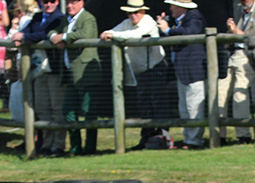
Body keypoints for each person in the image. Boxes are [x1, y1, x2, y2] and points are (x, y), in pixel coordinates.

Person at [101, 0, 169, 150]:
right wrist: (109, 33)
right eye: (130, 12)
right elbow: (112, 31)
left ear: (143, 11)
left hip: (155, 68)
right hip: (140, 71)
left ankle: (164, 138)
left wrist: (112, 34)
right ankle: (146, 139)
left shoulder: (149, 22)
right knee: (144, 105)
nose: (132, 15)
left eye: (135, 12)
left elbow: (134, 35)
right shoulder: (126, 23)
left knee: (157, 103)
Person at [11, 0, 66, 156]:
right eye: (45, 1)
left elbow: (45, 34)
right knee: (42, 109)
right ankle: (47, 144)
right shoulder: (36, 17)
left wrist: (25, 37)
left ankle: (58, 145)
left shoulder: (59, 18)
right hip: (38, 71)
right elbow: (26, 31)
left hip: (53, 70)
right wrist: (20, 35)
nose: (48, 4)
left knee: (57, 108)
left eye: (52, 1)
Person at [218, 0, 255, 144]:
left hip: (249, 57)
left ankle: (243, 135)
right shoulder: (241, 11)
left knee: (239, 93)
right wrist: (231, 32)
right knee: (220, 93)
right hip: (233, 56)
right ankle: (219, 135)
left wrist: (239, 33)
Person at [49, 0, 100, 155]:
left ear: (81, 3)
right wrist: (54, 38)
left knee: (89, 112)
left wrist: (64, 37)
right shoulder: (66, 19)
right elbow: (52, 32)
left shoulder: (88, 18)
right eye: (68, 3)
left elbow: (85, 34)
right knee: (68, 110)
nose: (70, 6)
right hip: (70, 73)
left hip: (87, 74)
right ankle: (75, 147)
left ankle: (90, 148)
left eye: (73, 2)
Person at [157, 0, 207, 150]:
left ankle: (194, 141)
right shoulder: (178, 20)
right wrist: (163, 25)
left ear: (180, 7)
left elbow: (188, 33)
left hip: (193, 70)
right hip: (182, 70)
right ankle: (188, 139)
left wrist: (167, 30)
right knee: (184, 107)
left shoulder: (194, 17)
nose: (170, 8)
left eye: (173, 5)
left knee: (194, 106)